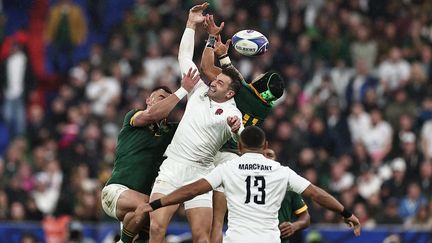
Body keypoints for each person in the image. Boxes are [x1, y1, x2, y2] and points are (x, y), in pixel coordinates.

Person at [135, 126, 361, 243]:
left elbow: (192, 190)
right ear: (266, 146)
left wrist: (156, 204)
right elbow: (317, 194)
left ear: (240, 148)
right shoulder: (281, 171)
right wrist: (346, 212)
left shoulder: (227, 169)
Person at [148, 3, 244, 243]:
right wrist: (191, 24)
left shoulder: (231, 113)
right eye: (215, 80)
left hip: (200, 173)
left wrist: (236, 130)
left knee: (201, 236)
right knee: (157, 226)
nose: (213, 83)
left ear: (230, 94)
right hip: (173, 166)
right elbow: (184, 56)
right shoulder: (198, 89)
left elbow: (242, 137)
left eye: (220, 83)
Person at [200, 14, 285, 243]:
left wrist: (218, 45)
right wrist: (225, 57)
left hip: (213, 151)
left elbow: (218, 70)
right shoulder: (263, 106)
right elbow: (238, 78)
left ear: (260, 85)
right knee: (218, 220)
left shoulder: (242, 92)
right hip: (233, 159)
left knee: (203, 217)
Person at [101, 68, 200, 243]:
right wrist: (182, 89)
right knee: (152, 205)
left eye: (169, 101)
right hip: (116, 191)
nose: (166, 102)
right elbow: (153, 114)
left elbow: (197, 125)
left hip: (138, 208)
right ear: (148, 100)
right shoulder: (134, 117)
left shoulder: (171, 131)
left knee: (152, 227)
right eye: (162, 98)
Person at [264, 149, 311, 243]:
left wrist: (294, 226)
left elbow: (306, 217)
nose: (267, 159)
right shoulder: (246, 184)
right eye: (264, 156)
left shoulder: (287, 183)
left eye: (270, 156)